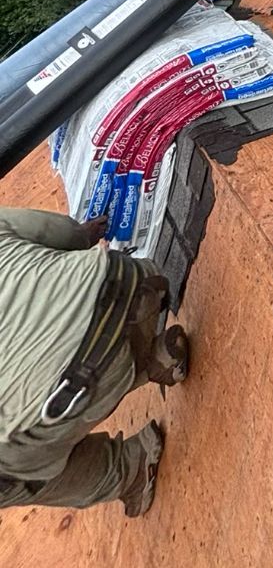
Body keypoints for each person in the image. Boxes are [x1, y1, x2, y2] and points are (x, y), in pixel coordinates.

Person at [0, 207, 189, 517]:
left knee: (11, 475)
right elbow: (66, 233)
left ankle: (130, 468)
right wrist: (81, 236)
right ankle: (152, 359)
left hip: (84, 381)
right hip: (136, 286)